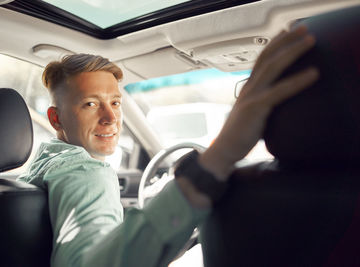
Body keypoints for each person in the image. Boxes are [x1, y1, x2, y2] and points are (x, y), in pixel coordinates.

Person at [19, 25, 319, 267]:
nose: (110, 118)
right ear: (56, 119)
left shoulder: (45, 163)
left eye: (115, 102)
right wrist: (215, 160)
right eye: (90, 104)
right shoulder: (85, 172)